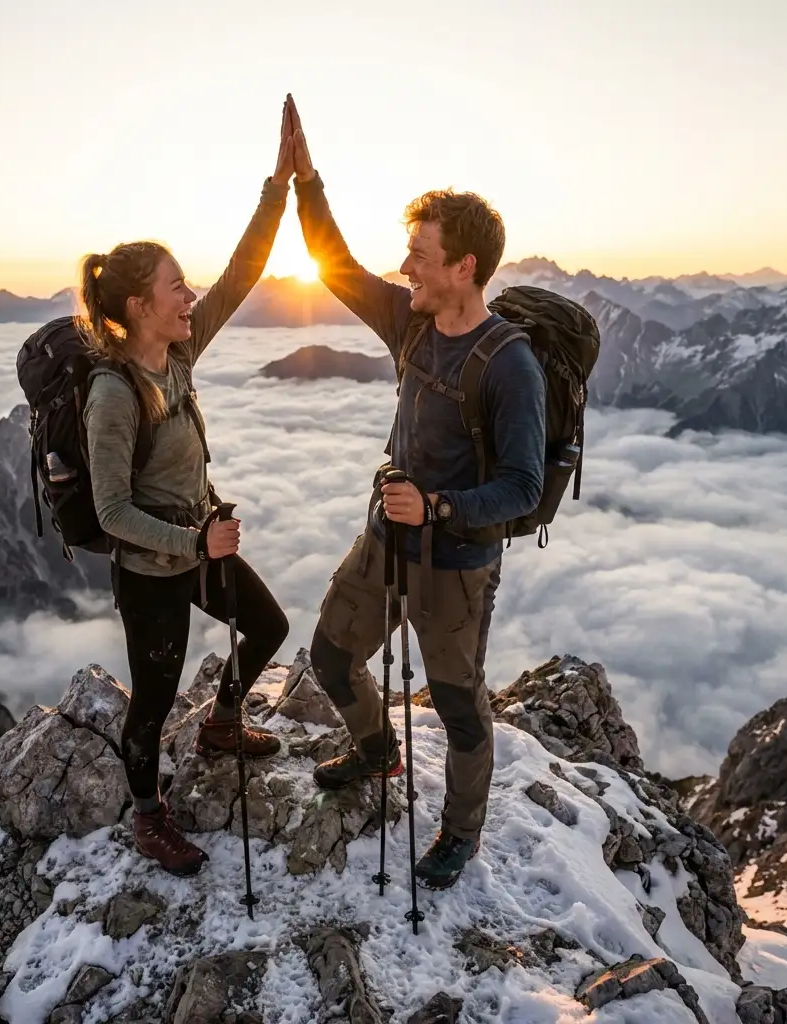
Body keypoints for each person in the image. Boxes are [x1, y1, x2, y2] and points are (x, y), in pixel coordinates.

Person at [287, 95, 547, 889]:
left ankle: (460, 834)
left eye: (420, 255)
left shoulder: (510, 365)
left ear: (464, 267)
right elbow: (331, 262)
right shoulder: (411, 322)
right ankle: (378, 753)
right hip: (386, 539)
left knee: (460, 704)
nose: (405, 269)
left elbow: (524, 487)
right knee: (331, 655)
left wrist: (438, 508)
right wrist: (302, 180)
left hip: (457, 560)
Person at [79, 104, 294, 878]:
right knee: (153, 701)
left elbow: (241, 275)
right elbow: (110, 514)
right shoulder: (113, 393)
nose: (190, 294)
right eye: (176, 287)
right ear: (139, 306)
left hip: (200, 544)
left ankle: (224, 724)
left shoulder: (178, 355)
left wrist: (279, 189)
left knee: (267, 626)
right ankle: (148, 817)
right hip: (152, 573)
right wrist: (194, 542)